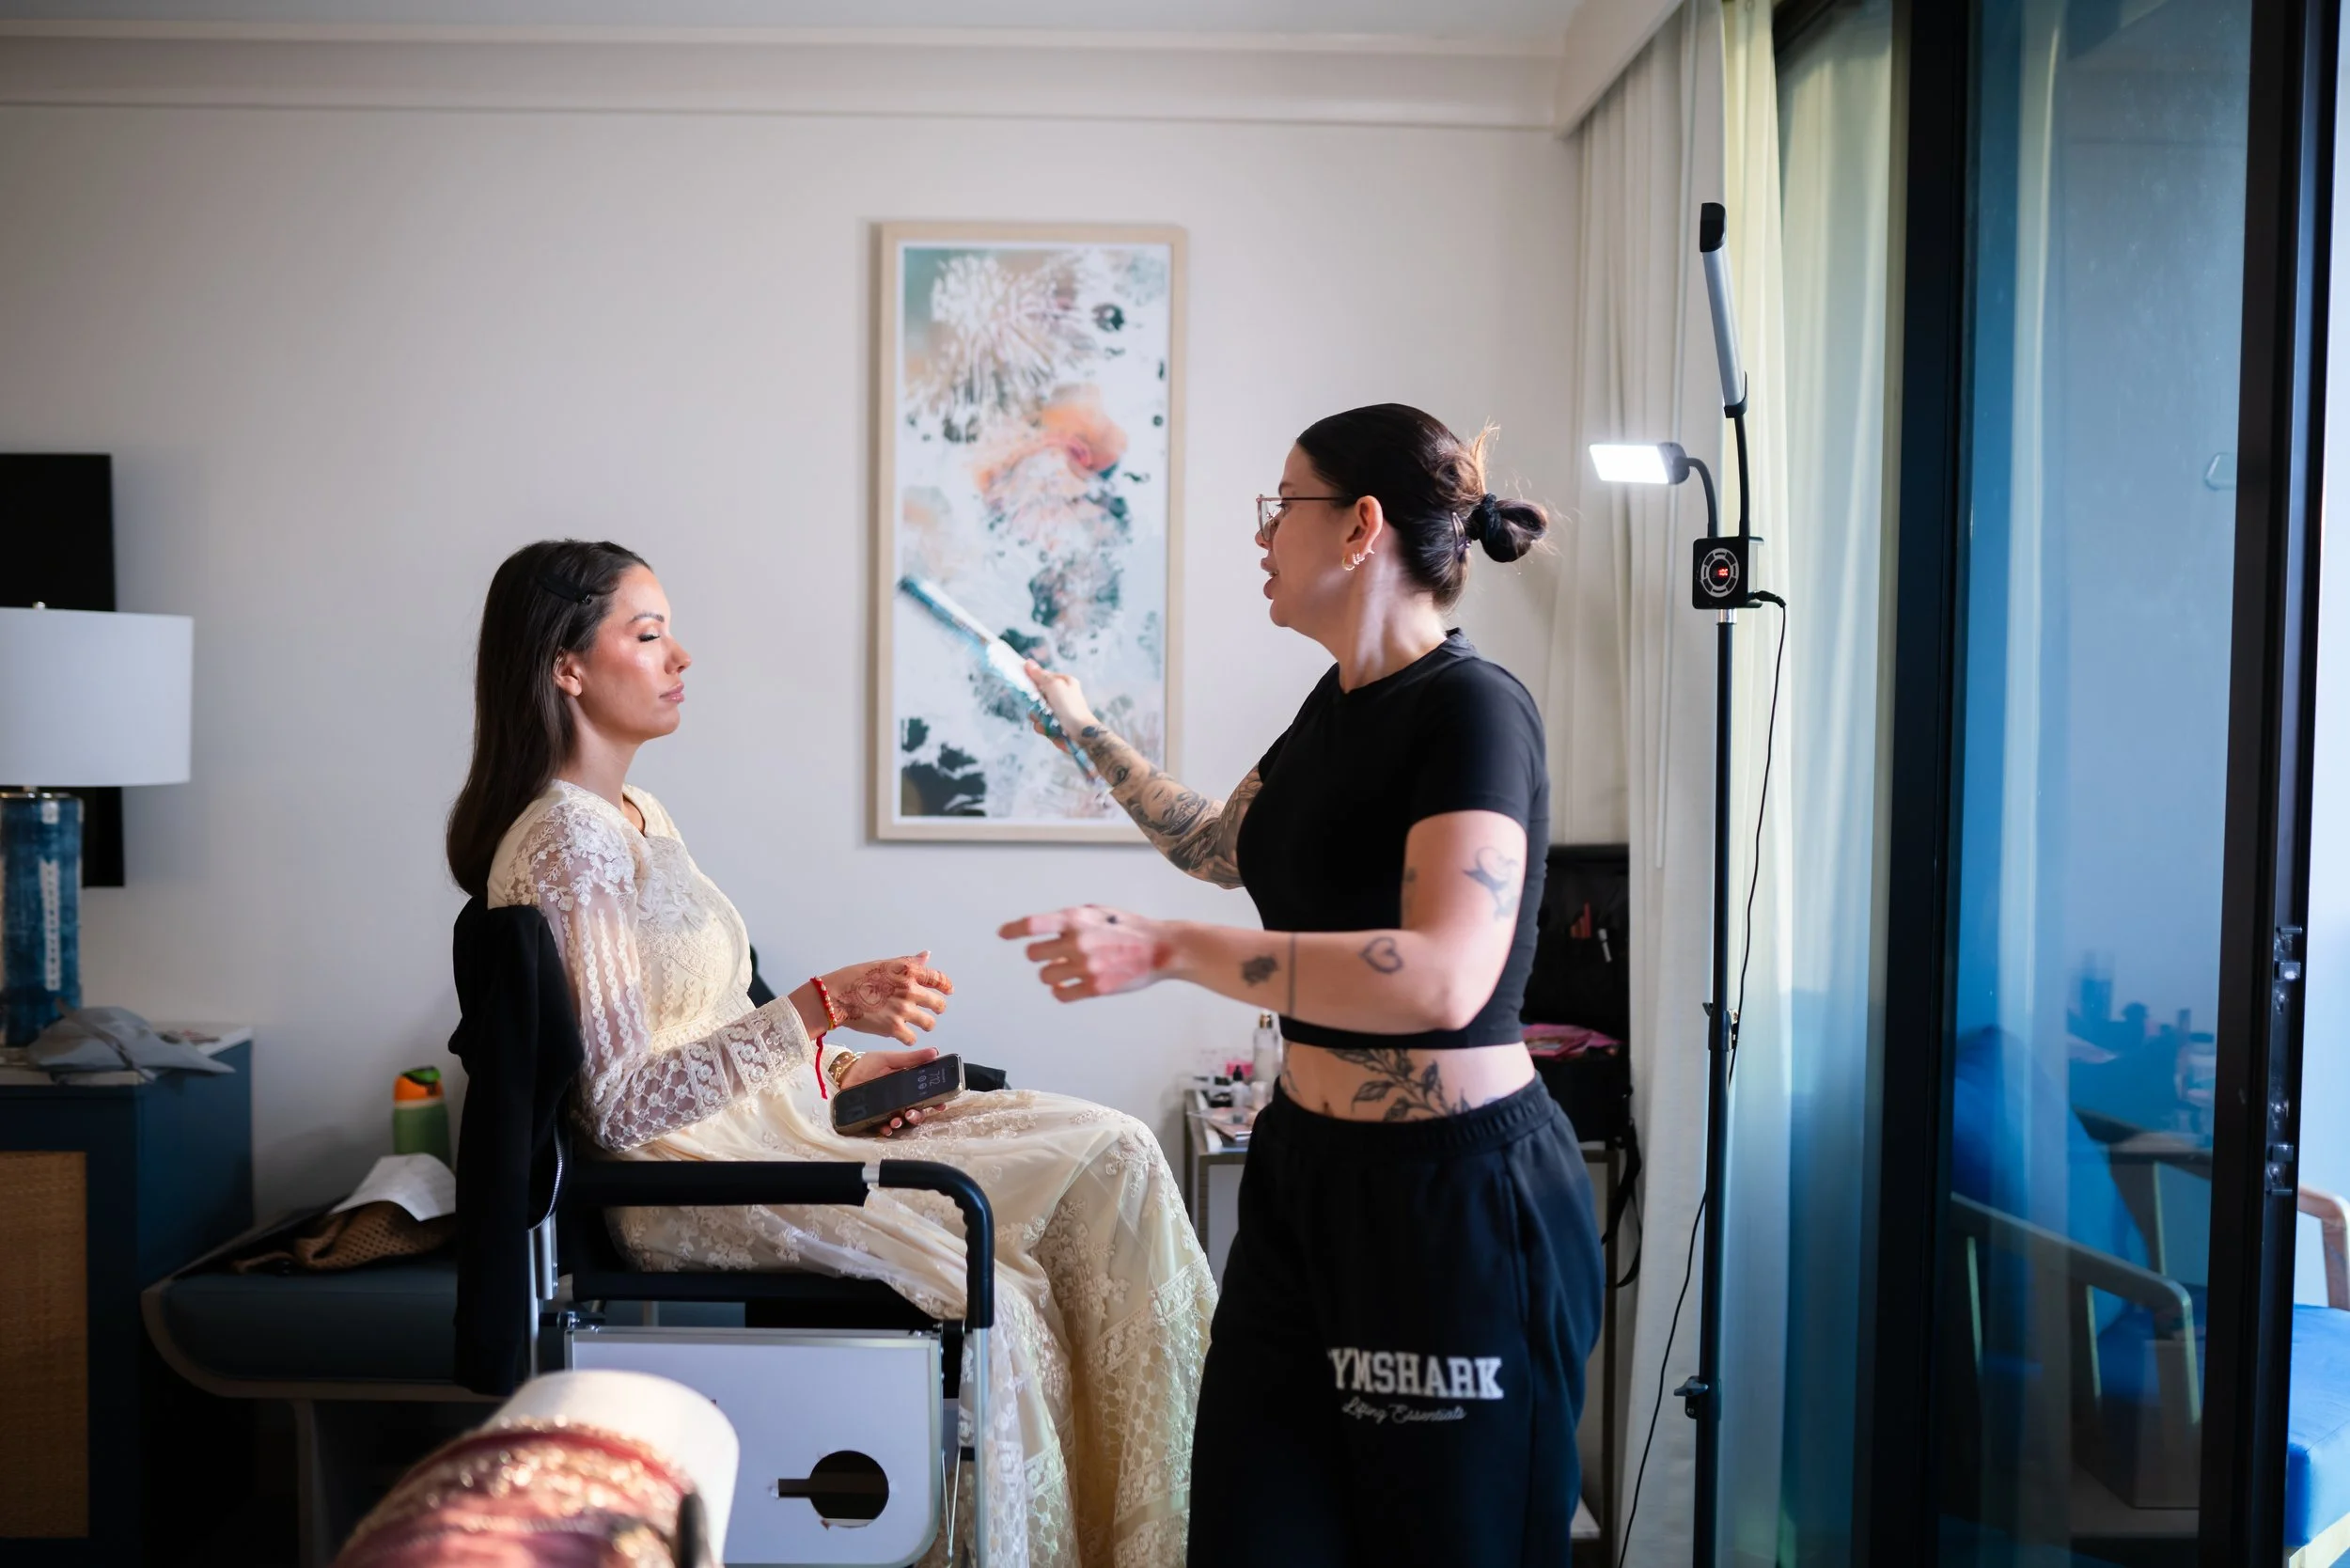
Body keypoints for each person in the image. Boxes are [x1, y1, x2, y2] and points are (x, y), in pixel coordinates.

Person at [446, 539, 1214, 1568]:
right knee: (1011, 1298)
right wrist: (823, 1007)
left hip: (780, 1127)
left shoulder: (639, 817)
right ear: (566, 666)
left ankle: (1167, 1534)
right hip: (691, 1178)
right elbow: (621, 1107)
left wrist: (842, 1074)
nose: (681, 656)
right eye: (650, 634)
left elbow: (710, 1019)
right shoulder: (565, 844)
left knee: (1113, 1152)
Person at [1001, 405, 1606, 1566]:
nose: (1262, 534)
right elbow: (1218, 847)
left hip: (1453, 1204)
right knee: (1251, 1531)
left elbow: (1443, 976)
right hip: (1304, 1181)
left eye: (1282, 506)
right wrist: (1082, 732)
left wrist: (1169, 950)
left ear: (1360, 526)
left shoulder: (1473, 710)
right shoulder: (1327, 712)